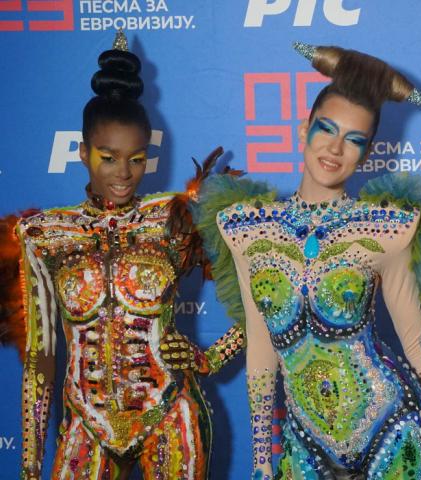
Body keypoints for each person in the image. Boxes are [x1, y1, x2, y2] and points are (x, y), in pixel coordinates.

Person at [193, 42, 421, 479]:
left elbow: (415, 341)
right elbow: (261, 350)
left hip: (394, 435)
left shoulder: (385, 229)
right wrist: (261, 460)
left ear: (367, 152)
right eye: (326, 129)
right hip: (305, 446)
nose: (335, 149)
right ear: (303, 130)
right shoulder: (246, 229)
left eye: (354, 140)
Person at [13, 31, 243, 479]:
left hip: (171, 416)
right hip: (85, 422)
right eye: (108, 157)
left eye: (137, 159)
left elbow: (265, 292)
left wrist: (210, 358)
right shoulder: (44, 235)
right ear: (83, 153)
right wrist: (29, 464)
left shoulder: (175, 219)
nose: (124, 173)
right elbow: (41, 357)